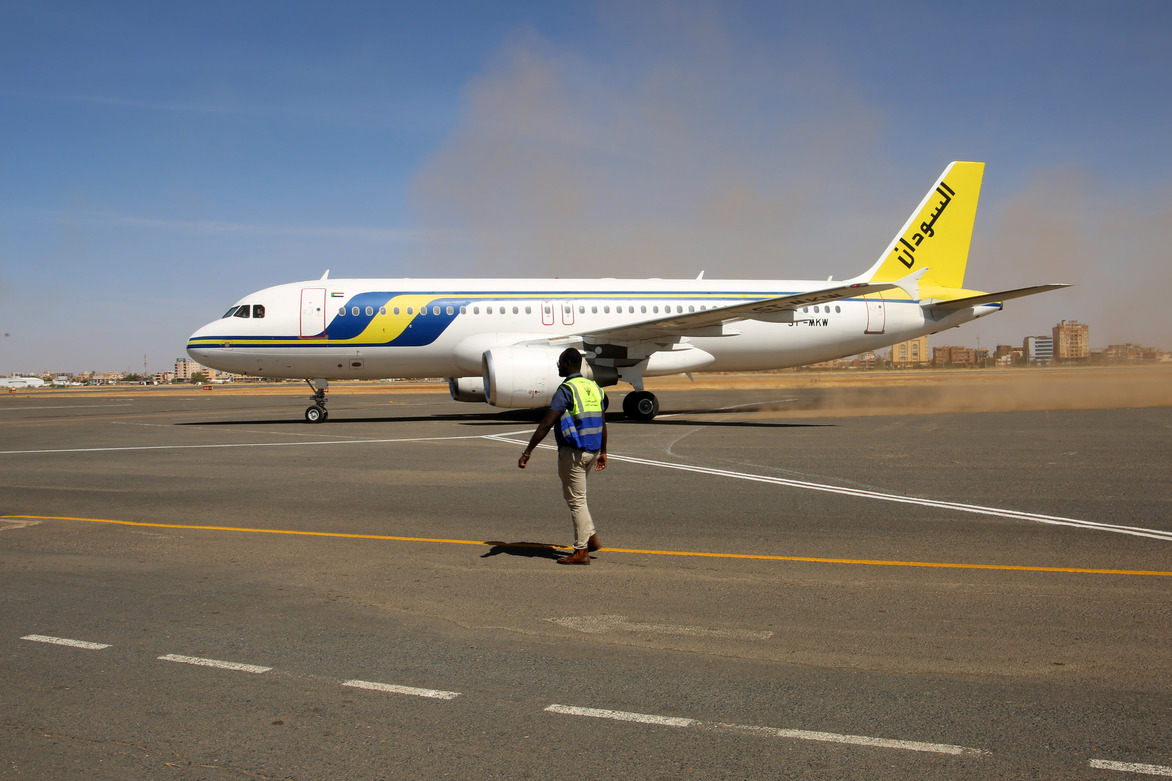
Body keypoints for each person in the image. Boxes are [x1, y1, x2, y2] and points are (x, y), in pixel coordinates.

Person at [518, 348, 607, 565]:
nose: (557, 366)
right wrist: (604, 451)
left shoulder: (566, 390)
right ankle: (591, 537)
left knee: (576, 501)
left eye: (559, 362)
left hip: (574, 453)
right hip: (592, 451)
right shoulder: (595, 387)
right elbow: (603, 421)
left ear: (568, 363)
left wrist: (527, 451)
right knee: (579, 498)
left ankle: (581, 551)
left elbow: (546, 423)